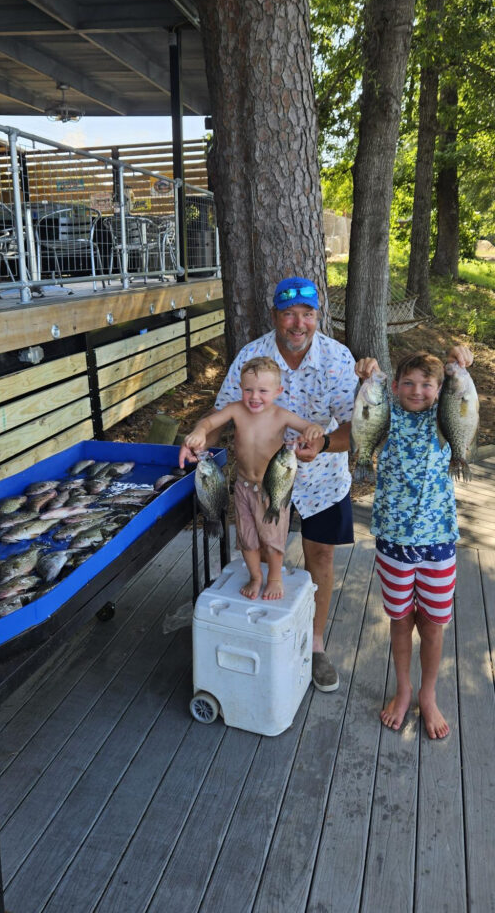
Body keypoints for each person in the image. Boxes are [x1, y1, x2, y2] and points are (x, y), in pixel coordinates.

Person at [179, 276, 357, 692]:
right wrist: (199, 440)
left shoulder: (337, 357)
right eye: (289, 314)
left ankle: (315, 645)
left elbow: (357, 426)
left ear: (318, 316)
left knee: (321, 559)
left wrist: (326, 442)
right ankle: (259, 604)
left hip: (321, 477)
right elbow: (221, 415)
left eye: (307, 314)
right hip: (256, 483)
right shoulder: (252, 355)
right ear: (276, 315)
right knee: (252, 543)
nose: (298, 324)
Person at [354, 345, 474, 739]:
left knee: (434, 624)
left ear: (440, 390)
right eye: (408, 382)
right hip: (393, 540)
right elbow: (367, 408)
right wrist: (367, 374)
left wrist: (462, 366)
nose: (416, 390)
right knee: (401, 619)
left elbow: (464, 404)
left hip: (438, 541)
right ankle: (403, 688)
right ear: (396, 387)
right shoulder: (388, 418)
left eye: (426, 384)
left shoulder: (444, 421)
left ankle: (427, 693)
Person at [183, 356, 324, 601]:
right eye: (248, 389)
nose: (254, 396)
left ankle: (275, 578)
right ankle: (256, 575)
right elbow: (209, 421)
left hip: (271, 488)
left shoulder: (282, 416)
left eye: (262, 390)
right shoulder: (236, 410)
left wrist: (314, 430)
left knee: (272, 538)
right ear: (240, 388)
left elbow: (311, 427)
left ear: (278, 391)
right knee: (247, 538)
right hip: (243, 487)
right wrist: (198, 431)